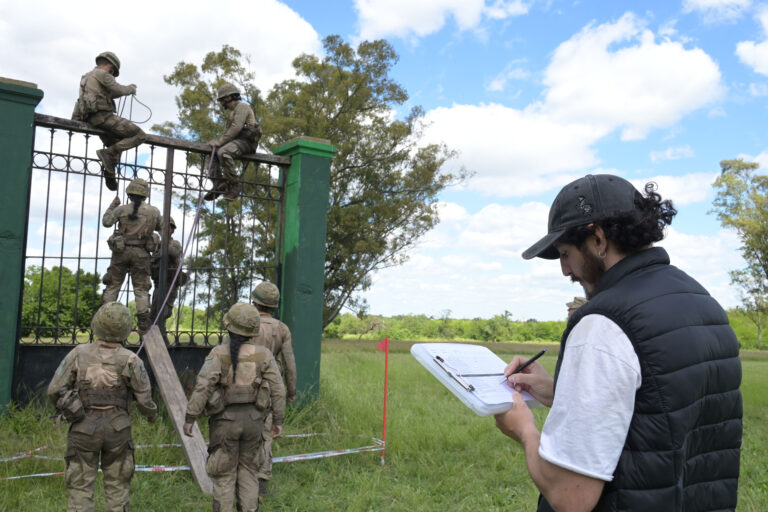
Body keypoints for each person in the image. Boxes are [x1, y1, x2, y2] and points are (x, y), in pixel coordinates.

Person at [495, 174, 742, 511]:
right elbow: (660, 413)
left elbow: (572, 496)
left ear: (597, 239)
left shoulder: (604, 323)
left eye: (565, 253)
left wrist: (525, 431)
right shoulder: (703, 302)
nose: (565, 270)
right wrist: (564, 392)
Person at [47, 302, 158, 512]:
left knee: (80, 488)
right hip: (118, 429)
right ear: (126, 329)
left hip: (82, 426)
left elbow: (54, 390)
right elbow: (145, 401)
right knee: (118, 488)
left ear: (96, 325)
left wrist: (69, 406)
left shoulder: (78, 353)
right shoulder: (132, 359)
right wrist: (151, 415)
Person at [183, 302, 286, 512]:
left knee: (224, 475)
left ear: (228, 326)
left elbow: (203, 387)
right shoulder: (264, 355)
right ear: (253, 330)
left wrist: (190, 418)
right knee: (249, 472)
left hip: (224, 423)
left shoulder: (219, 353)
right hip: (255, 421)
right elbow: (279, 390)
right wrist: (278, 421)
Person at [72, 51, 147, 191]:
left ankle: (109, 171)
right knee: (140, 135)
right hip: (103, 117)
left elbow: (110, 93)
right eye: (112, 72)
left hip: (89, 117)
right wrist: (130, 89)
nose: (112, 75)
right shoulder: (103, 74)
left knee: (117, 142)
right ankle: (108, 154)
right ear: (111, 67)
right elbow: (117, 88)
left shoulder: (87, 76)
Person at [250, 281, 297, 498]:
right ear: (274, 306)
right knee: (266, 434)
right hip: (269, 388)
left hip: (241, 383)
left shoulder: (244, 322)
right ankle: (260, 483)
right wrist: (291, 392)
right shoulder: (282, 329)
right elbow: (289, 364)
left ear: (254, 301)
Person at [101, 178, 162, 334]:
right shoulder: (154, 211)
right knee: (141, 289)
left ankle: (104, 317)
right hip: (142, 254)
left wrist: (113, 205)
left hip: (120, 253)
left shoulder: (121, 210)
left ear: (129, 193)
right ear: (145, 195)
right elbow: (162, 227)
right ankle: (143, 322)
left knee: (113, 285)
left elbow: (107, 222)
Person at [204, 82, 261, 201]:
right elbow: (228, 132)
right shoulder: (231, 113)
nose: (220, 103)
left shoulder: (242, 107)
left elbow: (236, 127)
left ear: (227, 98)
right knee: (213, 152)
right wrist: (217, 144)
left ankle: (235, 185)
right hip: (237, 142)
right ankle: (218, 184)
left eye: (221, 100)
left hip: (247, 142)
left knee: (223, 152)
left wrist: (220, 143)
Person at [150, 217, 188, 338]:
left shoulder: (175, 244)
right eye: (161, 228)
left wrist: (162, 242)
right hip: (158, 284)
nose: (164, 230)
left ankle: (162, 341)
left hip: (170, 284)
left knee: (163, 314)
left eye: (167, 227)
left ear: (172, 229)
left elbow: (172, 252)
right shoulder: (156, 245)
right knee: (154, 315)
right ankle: (158, 342)